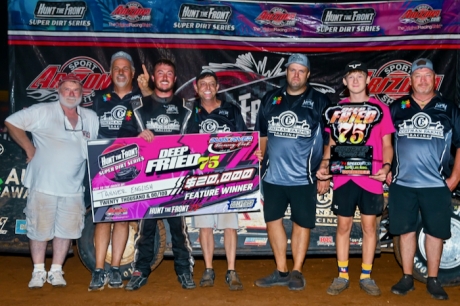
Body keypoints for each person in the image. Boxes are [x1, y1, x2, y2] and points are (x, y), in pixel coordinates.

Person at [4, 73, 99, 289]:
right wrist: (28, 147)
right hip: (43, 185)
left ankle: (56, 270)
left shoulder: (91, 117)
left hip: (74, 187)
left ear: (82, 94)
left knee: (66, 231)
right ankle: (38, 271)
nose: (71, 94)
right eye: (67, 89)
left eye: (76, 90)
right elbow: (11, 122)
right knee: (39, 229)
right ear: (59, 91)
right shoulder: (43, 111)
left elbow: (91, 147)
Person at [316, 61, 394, 296]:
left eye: (360, 76)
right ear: (344, 82)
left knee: (370, 227)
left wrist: (387, 165)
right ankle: (342, 275)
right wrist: (324, 165)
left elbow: (387, 144)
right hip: (343, 177)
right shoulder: (336, 110)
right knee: (343, 226)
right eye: (351, 77)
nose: (356, 81)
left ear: (368, 79)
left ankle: (366, 275)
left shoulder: (381, 108)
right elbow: (332, 143)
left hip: (371, 176)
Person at [253, 54, 330, 291]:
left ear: (308, 74)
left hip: (304, 177)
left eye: (301, 71)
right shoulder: (270, 98)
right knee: (273, 221)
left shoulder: (320, 101)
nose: (296, 75)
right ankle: (281, 270)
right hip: (272, 176)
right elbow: (262, 136)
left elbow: (331, 139)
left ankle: (297, 271)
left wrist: (325, 167)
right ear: (286, 72)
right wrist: (258, 157)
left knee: (301, 223)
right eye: (292, 70)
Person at [118, 59, 196, 291]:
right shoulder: (137, 106)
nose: (164, 77)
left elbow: (197, 143)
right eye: (160, 72)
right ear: (153, 78)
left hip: (176, 181)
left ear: (175, 79)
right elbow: (121, 140)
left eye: (169, 73)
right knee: (146, 231)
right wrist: (137, 136)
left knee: (179, 230)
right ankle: (141, 270)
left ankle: (184, 271)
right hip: (147, 181)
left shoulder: (187, 107)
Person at [387, 58, 460, 301]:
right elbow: (384, 142)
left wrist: (456, 176)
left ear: (434, 79)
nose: (423, 80)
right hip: (402, 184)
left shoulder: (449, 108)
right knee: (406, 231)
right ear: (410, 81)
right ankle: (407, 277)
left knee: (435, 232)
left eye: (427, 75)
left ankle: (433, 279)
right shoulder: (397, 107)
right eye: (418, 75)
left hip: (436, 184)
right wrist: (386, 168)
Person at [88, 51, 147, 291]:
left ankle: (114, 269)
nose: (121, 72)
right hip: (101, 166)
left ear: (132, 73)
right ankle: (99, 270)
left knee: (122, 217)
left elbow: (153, 120)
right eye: (116, 68)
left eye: (125, 68)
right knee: (102, 219)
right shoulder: (99, 97)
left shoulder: (142, 96)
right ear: (110, 73)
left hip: (130, 164)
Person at [189, 69, 247, 291]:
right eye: (202, 83)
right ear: (196, 87)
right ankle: (208, 269)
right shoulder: (190, 111)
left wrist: (252, 156)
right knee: (205, 226)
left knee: (229, 226)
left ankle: (231, 270)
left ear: (217, 87)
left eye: (211, 83)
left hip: (227, 176)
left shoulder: (231, 110)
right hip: (201, 178)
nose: (207, 87)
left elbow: (244, 140)